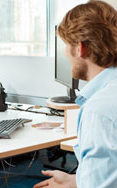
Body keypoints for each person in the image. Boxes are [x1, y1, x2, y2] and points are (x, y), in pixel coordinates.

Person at [34, 1, 117, 187]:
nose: (65, 53)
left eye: (66, 45)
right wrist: (76, 181)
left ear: (80, 48)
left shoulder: (99, 110)